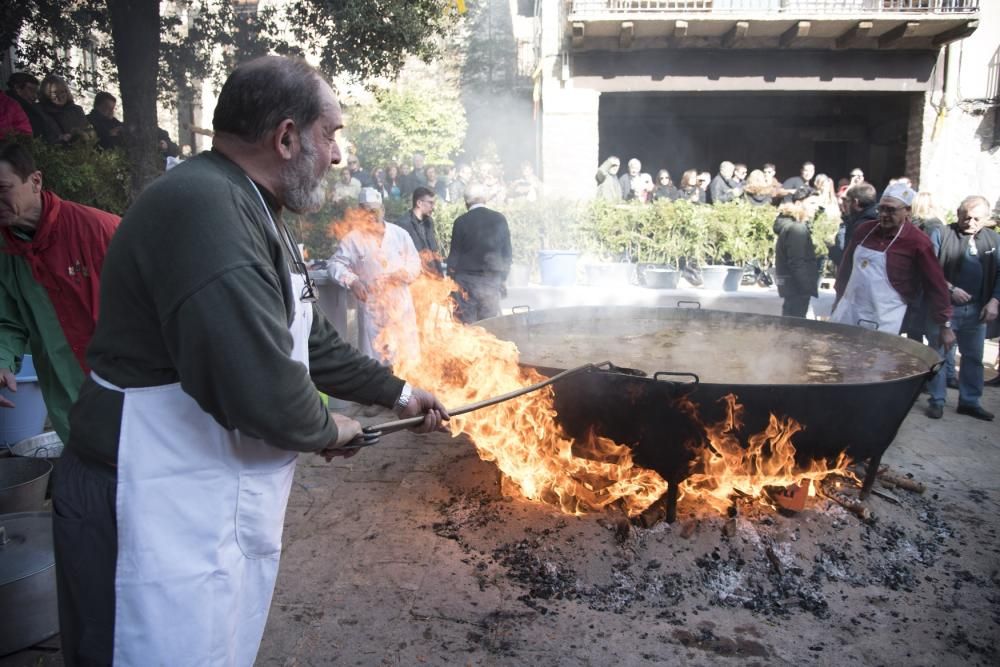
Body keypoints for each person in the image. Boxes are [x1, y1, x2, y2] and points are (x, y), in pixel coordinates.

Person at [52, 56, 448, 666]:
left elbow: (308, 341)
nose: (337, 155)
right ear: (286, 138)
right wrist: (330, 428)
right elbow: (260, 385)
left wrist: (398, 394)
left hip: (189, 488)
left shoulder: (250, 204)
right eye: (330, 133)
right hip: (139, 496)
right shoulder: (206, 208)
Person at [0, 141, 120, 444]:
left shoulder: (98, 229)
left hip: (126, 388)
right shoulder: (5, 248)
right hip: (66, 394)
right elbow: (7, 319)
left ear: (35, 181)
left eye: (3, 188)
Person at [830, 183, 953, 348]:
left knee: (872, 365)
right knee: (837, 357)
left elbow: (936, 284)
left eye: (891, 210)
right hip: (849, 310)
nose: (884, 215)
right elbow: (845, 268)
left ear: (907, 211)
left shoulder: (918, 242)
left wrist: (944, 324)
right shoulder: (864, 230)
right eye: (881, 209)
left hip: (883, 316)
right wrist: (838, 298)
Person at [924, 196, 999, 421]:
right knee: (939, 355)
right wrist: (950, 289)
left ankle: (969, 401)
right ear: (958, 213)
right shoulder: (941, 233)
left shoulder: (993, 240)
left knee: (973, 357)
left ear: (986, 219)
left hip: (977, 309)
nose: (970, 222)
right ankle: (936, 400)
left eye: (976, 218)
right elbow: (930, 269)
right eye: (965, 217)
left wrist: (995, 300)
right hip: (944, 307)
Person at [329, 187, 422, 365]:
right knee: (375, 362)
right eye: (365, 210)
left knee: (405, 361)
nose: (370, 214)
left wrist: (403, 273)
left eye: (374, 210)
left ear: (383, 210)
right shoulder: (352, 239)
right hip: (372, 308)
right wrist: (353, 281)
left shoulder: (399, 234)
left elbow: (415, 262)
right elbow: (335, 264)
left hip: (400, 305)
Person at [447, 183, 512, 323]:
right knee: (489, 326)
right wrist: (502, 278)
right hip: (491, 281)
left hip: (465, 283)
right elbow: (507, 254)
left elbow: (454, 257)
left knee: (467, 327)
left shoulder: (461, 222)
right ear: (484, 199)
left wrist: (450, 279)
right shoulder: (499, 219)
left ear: (467, 202)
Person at [773, 193, 820, 317]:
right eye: (812, 203)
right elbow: (796, 262)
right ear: (798, 204)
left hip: (793, 288)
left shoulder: (792, 227)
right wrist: (806, 287)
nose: (816, 207)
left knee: (790, 326)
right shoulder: (796, 229)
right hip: (797, 288)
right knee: (794, 329)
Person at [395, 186, 444, 276]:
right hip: (416, 277)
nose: (433, 207)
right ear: (419, 203)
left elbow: (434, 249)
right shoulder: (403, 224)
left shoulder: (429, 222)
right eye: (430, 203)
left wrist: (440, 274)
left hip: (432, 275)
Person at [831, 182, 878, 270]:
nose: (844, 204)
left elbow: (848, 260)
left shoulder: (859, 226)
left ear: (855, 202)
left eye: (848, 200)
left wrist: (831, 249)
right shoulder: (879, 219)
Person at [6, 72, 62, 143]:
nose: (35, 96)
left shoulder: (32, 108)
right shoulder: (10, 108)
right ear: (17, 88)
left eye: (36, 93)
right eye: (31, 90)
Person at [38, 74, 91, 143]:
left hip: (79, 151)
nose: (59, 96)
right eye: (55, 93)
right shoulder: (41, 111)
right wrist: (60, 138)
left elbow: (88, 132)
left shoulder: (77, 110)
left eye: (62, 92)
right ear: (47, 94)